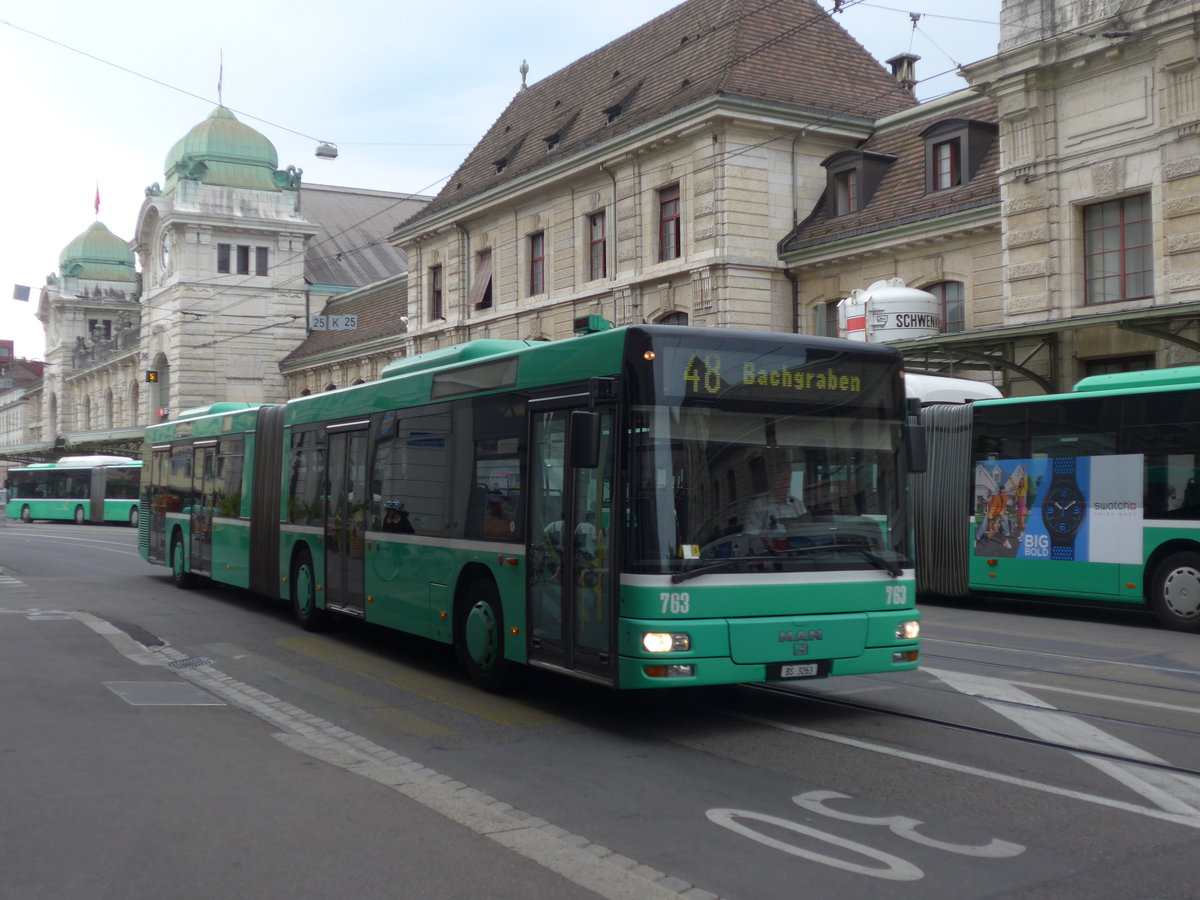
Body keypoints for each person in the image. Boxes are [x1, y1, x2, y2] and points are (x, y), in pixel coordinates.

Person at [745, 457, 807, 553]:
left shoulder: (798, 503)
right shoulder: (758, 505)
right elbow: (751, 536)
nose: (787, 484)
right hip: (770, 555)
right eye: (783, 479)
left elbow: (805, 530)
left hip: (798, 551)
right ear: (773, 479)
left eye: (789, 479)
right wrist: (767, 545)